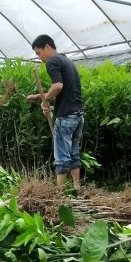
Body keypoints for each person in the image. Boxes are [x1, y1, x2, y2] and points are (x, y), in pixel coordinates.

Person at [26, 34, 84, 192]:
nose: (40, 58)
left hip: (65, 118)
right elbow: (64, 91)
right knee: (74, 154)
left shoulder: (52, 61)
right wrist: (41, 97)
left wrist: (46, 100)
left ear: (47, 47)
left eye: (39, 53)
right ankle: (76, 188)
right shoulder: (67, 61)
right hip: (77, 116)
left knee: (62, 157)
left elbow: (57, 86)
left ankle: (59, 194)